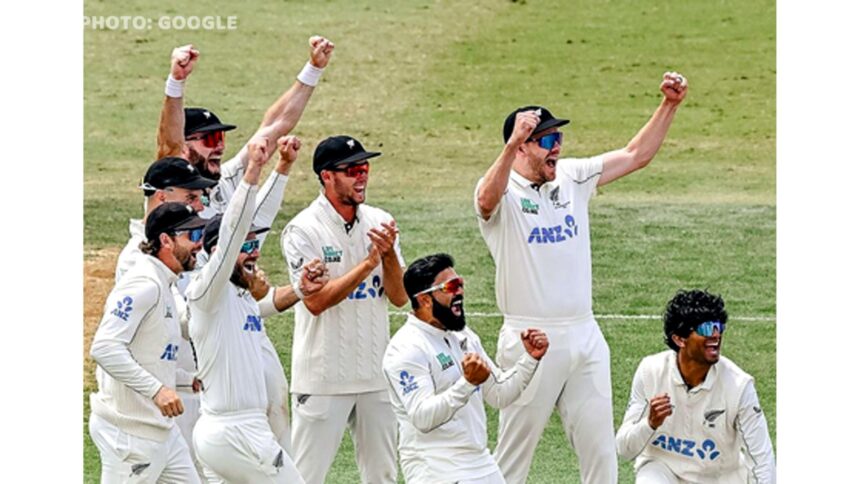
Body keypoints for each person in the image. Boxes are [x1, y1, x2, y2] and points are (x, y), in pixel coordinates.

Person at [474, 72, 689, 483]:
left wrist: (669, 105)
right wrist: (508, 145)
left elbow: (635, 155)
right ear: (520, 147)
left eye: (559, 139)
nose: (558, 147)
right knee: (513, 456)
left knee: (601, 453)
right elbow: (485, 200)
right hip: (529, 341)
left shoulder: (572, 176)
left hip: (584, 334)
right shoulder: (501, 192)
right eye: (546, 140)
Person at [185, 136, 326, 483]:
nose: (255, 251)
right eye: (247, 246)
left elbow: (265, 302)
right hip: (235, 433)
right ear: (220, 250)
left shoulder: (240, 295)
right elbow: (232, 231)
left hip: (235, 431)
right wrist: (253, 170)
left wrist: (283, 168)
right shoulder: (206, 289)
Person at [280, 135, 409, 484]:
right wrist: (368, 264)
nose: (361, 176)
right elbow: (316, 302)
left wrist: (389, 257)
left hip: (374, 375)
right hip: (323, 378)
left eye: (364, 168)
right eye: (352, 170)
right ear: (326, 176)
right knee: (305, 477)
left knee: (382, 475)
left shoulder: (380, 221)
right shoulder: (302, 230)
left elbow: (399, 297)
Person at [383, 253, 549, 483]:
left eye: (460, 284)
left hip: (480, 461)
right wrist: (467, 383)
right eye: (450, 286)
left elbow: (500, 393)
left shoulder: (463, 336)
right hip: (435, 468)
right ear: (424, 299)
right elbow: (422, 417)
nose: (459, 292)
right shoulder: (405, 349)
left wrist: (530, 359)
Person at [89, 202, 209, 483]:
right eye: (191, 236)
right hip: (131, 436)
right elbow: (105, 348)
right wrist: (157, 391)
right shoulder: (144, 283)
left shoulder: (165, 283)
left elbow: (150, 356)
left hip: (163, 432)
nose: (199, 244)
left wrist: (185, 379)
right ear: (166, 240)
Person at [156, 38, 335, 220]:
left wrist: (314, 68)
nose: (219, 146)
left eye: (220, 138)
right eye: (209, 140)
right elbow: (170, 144)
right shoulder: (170, 184)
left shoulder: (228, 178)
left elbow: (276, 124)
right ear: (185, 146)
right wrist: (176, 82)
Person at [616, 289, 776, 483]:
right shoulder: (650, 372)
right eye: (707, 328)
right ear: (679, 339)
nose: (716, 335)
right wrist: (649, 424)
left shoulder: (739, 386)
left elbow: (762, 460)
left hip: (719, 478)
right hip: (663, 471)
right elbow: (624, 449)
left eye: (719, 327)